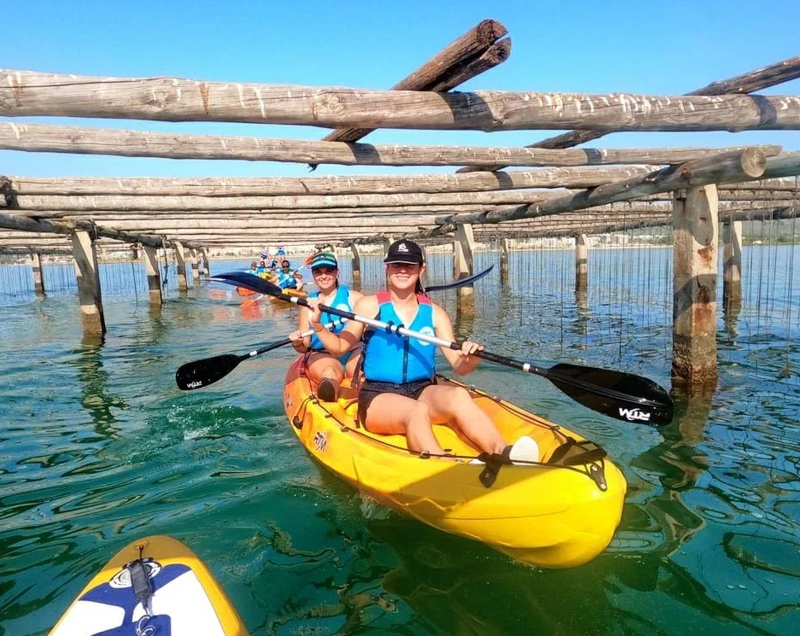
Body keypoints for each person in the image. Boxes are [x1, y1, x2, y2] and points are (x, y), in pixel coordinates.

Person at [306, 239, 539, 462]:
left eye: (410, 265)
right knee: (416, 411)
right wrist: (317, 324)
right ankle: (444, 464)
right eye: (397, 264)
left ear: (421, 268)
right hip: (378, 395)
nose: (403, 270)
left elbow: (461, 367)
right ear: (387, 268)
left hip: (422, 389)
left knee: (458, 395)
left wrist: (471, 356)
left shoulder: (435, 313)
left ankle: (502, 451)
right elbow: (339, 348)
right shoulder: (369, 305)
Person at [288, 252, 364, 402]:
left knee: (359, 372)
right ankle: (329, 393)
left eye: (329, 271)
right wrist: (297, 342)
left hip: (355, 351)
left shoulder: (355, 298)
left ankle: (367, 397)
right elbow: (304, 346)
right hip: (323, 354)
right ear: (313, 275)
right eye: (318, 272)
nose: (324, 276)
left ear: (337, 273)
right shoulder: (307, 305)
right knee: (329, 372)